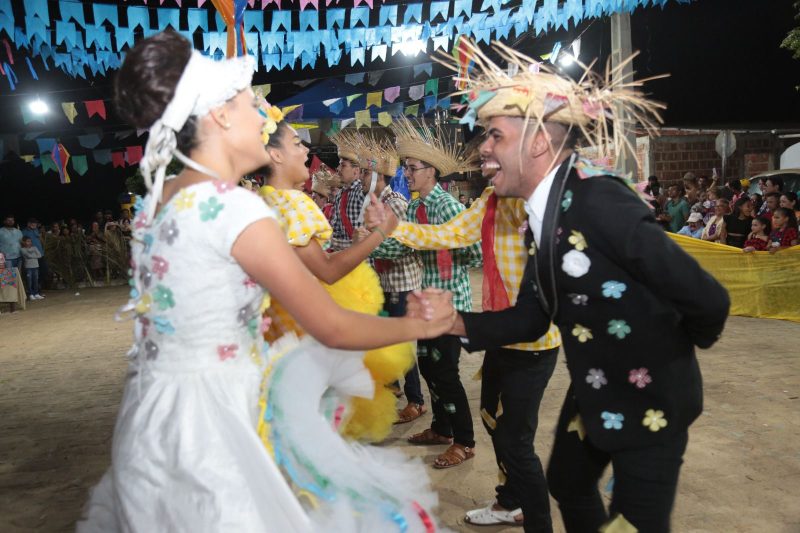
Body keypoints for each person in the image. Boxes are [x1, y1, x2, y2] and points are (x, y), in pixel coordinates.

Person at [76, 31, 453, 533]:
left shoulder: (159, 200)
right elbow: (332, 327)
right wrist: (419, 325)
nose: (262, 117)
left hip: (155, 407)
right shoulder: (234, 208)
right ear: (219, 116)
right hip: (217, 418)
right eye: (249, 104)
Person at [415, 38, 729, 532]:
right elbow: (532, 316)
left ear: (539, 141)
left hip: (651, 403)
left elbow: (708, 299)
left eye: (495, 135)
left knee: (635, 524)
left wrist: (660, 359)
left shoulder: (598, 199)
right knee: (568, 482)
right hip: (593, 390)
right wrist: (455, 321)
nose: (483, 150)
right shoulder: (544, 214)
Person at [367, 168, 563, 527]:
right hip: (499, 331)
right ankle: (510, 499)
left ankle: (529, 512)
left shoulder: (544, 198)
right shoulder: (491, 198)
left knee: (516, 441)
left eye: (496, 143)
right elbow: (451, 233)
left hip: (532, 338)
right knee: (491, 416)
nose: (485, 157)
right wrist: (391, 228)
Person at [372, 116, 483, 470]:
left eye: (412, 168)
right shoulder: (416, 207)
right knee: (430, 369)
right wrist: (371, 244)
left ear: (431, 171)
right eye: (405, 168)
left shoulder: (446, 206)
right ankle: (441, 428)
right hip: (427, 303)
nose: (406, 174)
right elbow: (403, 246)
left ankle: (465, 442)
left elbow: (476, 252)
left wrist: (447, 251)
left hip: (450, 304)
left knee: (446, 374)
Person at [344, 133, 427, 424]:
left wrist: (368, 242)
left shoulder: (397, 203)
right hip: (386, 282)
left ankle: (416, 400)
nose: (361, 178)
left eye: (366, 173)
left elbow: (403, 246)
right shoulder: (376, 203)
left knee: (403, 344)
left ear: (379, 176)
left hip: (403, 283)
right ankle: (397, 389)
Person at [329, 132, 365, 252]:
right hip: (345, 256)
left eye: (343, 166)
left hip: (363, 257)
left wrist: (333, 242)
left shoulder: (362, 192)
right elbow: (336, 228)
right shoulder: (340, 195)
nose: (338, 169)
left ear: (356, 171)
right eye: (339, 165)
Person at [21, 218, 47, 291]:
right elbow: (22, 243)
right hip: (31, 257)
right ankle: (33, 290)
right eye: (32, 223)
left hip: (40, 254)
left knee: (45, 270)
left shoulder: (36, 230)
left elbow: (41, 241)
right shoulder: (24, 232)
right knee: (32, 274)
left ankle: (37, 285)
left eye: (35, 223)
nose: (34, 224)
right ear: (28, 224)